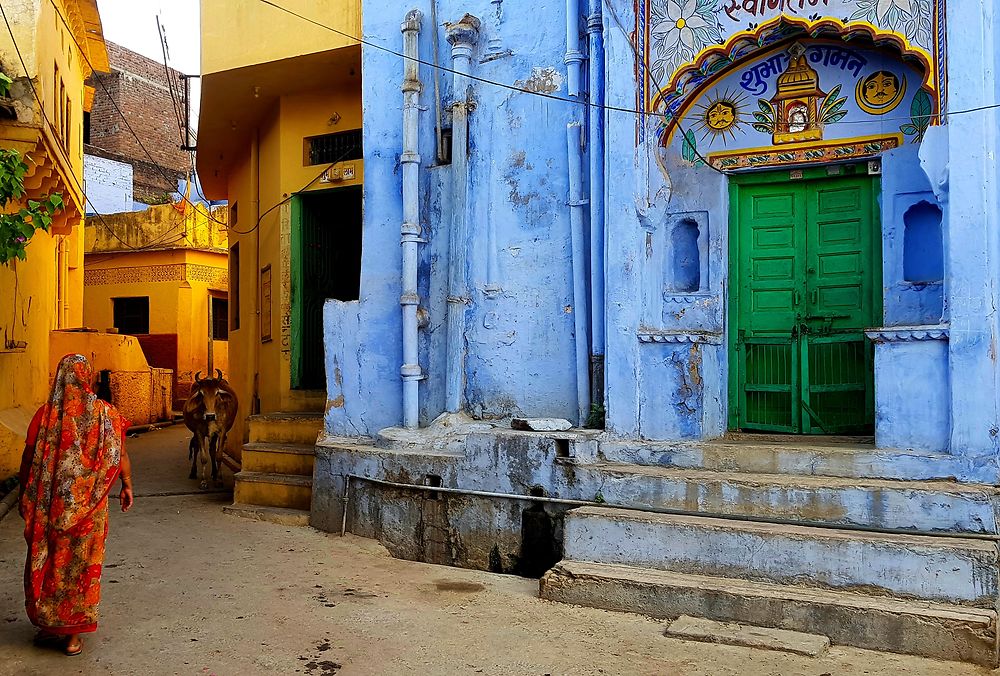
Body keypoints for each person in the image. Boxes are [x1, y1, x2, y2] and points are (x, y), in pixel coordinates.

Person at [17, 353, 134, 657]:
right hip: (90, 511)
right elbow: (120, 456)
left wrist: (25, 495)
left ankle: (51, 622)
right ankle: (71, 636)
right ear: (88, 376)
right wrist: (127, 486)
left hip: (50, 508)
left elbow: (29, 459)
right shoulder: (107, 415)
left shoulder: (45, 416)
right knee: (81, 567)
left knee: (53, 562)